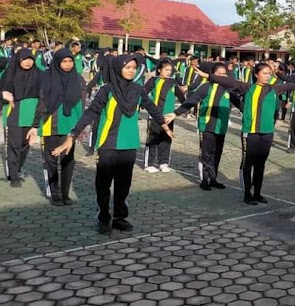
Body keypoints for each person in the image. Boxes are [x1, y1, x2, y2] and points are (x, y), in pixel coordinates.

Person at [51, 55, 175, 234]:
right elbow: (91, 112)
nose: (131, 70)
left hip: (129, 144)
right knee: (103, 184)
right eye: (127, 67)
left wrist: (165, 126)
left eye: (134, 67)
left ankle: (119, 217)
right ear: (118, 69)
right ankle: (103, 217)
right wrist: (73, 134)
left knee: (124, 184)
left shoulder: (138, 90)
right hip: (108, 144)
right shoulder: (107, 90)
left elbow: (151, 107)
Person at [195, 63, 295, 205]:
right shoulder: (248, 88)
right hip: (250, 133)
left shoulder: (274, 89)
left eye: (269, 73)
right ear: (256, 74)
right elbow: (229, 81)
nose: (267, 76)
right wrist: (208, 76)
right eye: (264, 73)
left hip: (267, 133)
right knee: (247, 164)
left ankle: (257, 193)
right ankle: (247, 194)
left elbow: (289, 86)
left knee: (260, 164)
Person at [174, 62, 242, 190]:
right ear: (212, 74)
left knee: (217, 153)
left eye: (224, 74)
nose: (222, 77)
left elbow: (240, 105)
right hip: (207, 126)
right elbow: (191, 101)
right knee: (206, 154)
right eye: (219, 74)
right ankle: (204, 179)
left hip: (221, 127)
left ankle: (213, 179)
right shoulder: (205, 87)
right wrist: (176, 113)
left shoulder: (229, 89)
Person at [30, 48, 83, 205]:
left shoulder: (77, 78)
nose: (67, 64)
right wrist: (35, 125)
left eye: (70, 61)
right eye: (64, 61)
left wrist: (80, 128)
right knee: (51, 159)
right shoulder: (47, 76)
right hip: (50, 124)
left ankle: (65, 193)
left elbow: (80, 104)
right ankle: (54, 194)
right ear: (58, 62)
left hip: (70, 126)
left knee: (68, 160)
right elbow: (41, 101)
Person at [2, 49, 42, 187]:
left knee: (25, 145)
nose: (28, 62)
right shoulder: (10, 74)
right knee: (14, 145)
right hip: (15, 112)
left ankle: (17, 169)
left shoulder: (39, 74)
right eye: (24, 59)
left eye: (30, 59)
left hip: (32, 112)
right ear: (18, 60)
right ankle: (13, 176)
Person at [142, 59, 185, 173]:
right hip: (155, 115)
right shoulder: (153, 80)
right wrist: (143, 105)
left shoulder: (172, 82)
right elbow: (143, 93)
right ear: (159, 70)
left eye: (170, 70)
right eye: (166, 70)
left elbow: (181, 97)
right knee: (152, 139)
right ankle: (149, 164)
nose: (168, 72)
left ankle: (163, 163)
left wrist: (185, 108)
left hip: (168, 116)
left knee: (166, 139)